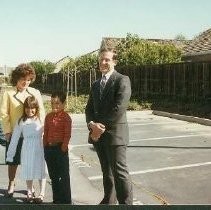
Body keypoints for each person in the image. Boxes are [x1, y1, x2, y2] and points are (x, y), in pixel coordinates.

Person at [85, 48, 133, 205]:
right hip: (99, 137)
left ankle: (126, 204)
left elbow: (119, 108)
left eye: (107, 59)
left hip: (115, 135)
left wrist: (100, 127)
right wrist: (92, 125)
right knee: (107, 172)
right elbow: (89, 109)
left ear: (114, 61)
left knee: (120, 173)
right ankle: (108, 201)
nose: (103, 62)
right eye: (101, 60)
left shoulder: (122, 80)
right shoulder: (95, 84)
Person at [0, 63, 45, 197]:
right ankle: (11, 183)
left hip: (33, 134)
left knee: (32, 161)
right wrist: (7, 131)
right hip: (15, 134)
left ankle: (31, 189)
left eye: (28, 79)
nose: (26, 82)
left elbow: (41, 111)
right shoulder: (8, 94)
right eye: (23, 79)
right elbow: (4, 114)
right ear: (16, 79)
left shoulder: (35, 92)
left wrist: (42, 130)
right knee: (13, 160)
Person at [6, 96, 47, 203]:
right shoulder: (21, 121)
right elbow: (14, 139)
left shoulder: (41, 119)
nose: (30, 110)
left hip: (39, 148)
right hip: (27, 149)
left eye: (32, 108)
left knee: (41, 170)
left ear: (36, 108)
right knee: (28, 169)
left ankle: (41, 194)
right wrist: (10, 155)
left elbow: (48, 133)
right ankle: (29, 192)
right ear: (24, 109)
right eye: (27, 108)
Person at [43, 91, 72, 204]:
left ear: (63, 104)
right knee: (54, 176)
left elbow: (67, 134)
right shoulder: (48, 116)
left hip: (60, 149)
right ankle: (57, 200)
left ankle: (66, 201)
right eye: (52, 103)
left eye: (57, 103)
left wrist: (63, 148)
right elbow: (46, 132)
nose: (54, 106)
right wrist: (45, 147)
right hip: (49, 150)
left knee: (63, 176)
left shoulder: (66, 118)